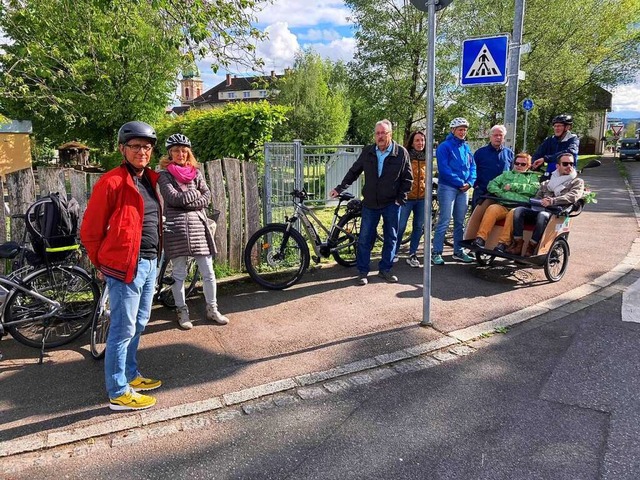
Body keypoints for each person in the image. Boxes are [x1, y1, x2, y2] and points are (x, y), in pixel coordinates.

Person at [80, 121, 163, 411]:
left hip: (151, 262)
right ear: (122, 148)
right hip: (126, 266)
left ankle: (130, 373)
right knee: (122, 329)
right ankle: (118, 391)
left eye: (147, 146)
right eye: (135, 146)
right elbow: (90, 229)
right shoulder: (112, 181)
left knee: (139, 323)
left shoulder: (150, 180)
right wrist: (99, 261)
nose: (142, 151)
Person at [157, 133, 228, 330]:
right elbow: (172, 199)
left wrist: (189, 197)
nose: (180, 154)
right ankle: (181, 310)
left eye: (183, 150)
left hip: (198, 226)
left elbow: (207, 197)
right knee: (179, 274)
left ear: (188, 152)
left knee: (208, 271)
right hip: (176, 229)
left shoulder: (196, 173)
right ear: (170, 153)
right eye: (176, 151)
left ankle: (212, 309)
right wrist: (194, 194)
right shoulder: (164, 175)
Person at [330, 119, 412, 285]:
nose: (380, 136)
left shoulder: (401, 153)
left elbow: (408, 179)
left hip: (391, 204)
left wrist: (400, 199)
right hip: (370, 204)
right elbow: (354, 171)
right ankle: (362, 272)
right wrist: (340, 188)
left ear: (390, 134)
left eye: (384, 133)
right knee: (365, 238)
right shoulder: (368, 151)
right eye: (378, 133)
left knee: (391, 238)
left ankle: (385, 270)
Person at [507, 152, 584, 257]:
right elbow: (537, 197)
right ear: (558, 166)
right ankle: (518, 243)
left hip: (557, 213)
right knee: (518, 210)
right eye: (565, 164)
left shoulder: (577, 182)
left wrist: (552, 201)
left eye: (571, 164)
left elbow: (573, 196)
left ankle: (532, 246)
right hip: (540, 209)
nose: (569, 166)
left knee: (542, 215)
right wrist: (538, 201)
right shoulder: (547, 183)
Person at [471, 152, 539, 249]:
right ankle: (480, 238)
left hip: (520, 208)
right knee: (492, 208)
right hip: (503, 204)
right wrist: (501, 193)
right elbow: (491, 185)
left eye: (523, 164)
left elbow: (534, 190)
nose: (519, 166)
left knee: (513, 213)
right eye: (517, 163)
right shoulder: (506, 174)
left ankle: (504, 243)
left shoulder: (532, 177)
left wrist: (513, 186)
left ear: (528, 166)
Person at [432, 117, 476, 265]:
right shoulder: (444, 147)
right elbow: (444, 169)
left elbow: (472, 167)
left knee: (460, 222)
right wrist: (460, 182)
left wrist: (470, 182)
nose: (462, 132)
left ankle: (458, 251)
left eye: (464, 129)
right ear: (453, 130)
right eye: (460, 129)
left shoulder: (466, 147)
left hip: (464, 189)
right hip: (448, 187)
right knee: (444, 220)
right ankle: (436, 252)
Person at [396, 130, 427, 268]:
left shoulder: (427, 157)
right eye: (417, 140)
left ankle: (412, 254)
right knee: (400, 226)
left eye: (422, 140)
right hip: (407, 198)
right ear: (412, 142)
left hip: (422, 198)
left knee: (418, 227)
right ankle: (394, 252)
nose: (420, 143)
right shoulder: (406, 156)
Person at [472, 125, 514, 208]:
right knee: (477, 219)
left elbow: (513, 172)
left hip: (502, 194)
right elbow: (472, 170)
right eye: (495, 135)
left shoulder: (509, 153)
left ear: (504, 137)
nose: (498, 137)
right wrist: (475, 185)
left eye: (500, 135)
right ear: (490, 137)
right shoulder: (480, 153)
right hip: (482, 192)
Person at [531, 114, 579, 181]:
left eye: (559, 126)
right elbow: (538, 153)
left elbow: (570, 152)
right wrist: (532, 163)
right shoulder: (550, 140)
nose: (556, 128)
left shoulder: (573, 139)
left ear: (567, 127)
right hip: (550, 174)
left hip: (567, 175)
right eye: (555, 126)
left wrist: (546, 159)